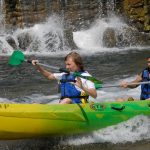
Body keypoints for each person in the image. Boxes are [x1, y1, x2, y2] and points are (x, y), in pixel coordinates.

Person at [32, 51, 97, 104]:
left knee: (66, 100)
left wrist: (82, 87)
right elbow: (49, 76)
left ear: (78, 64)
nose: (66, 67)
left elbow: (94, 95)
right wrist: (38, 67)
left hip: (81, 106)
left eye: (69, 64)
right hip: (65, 106)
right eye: (66, 64)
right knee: (35, 104)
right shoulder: (64, 74)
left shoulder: (87, 77)